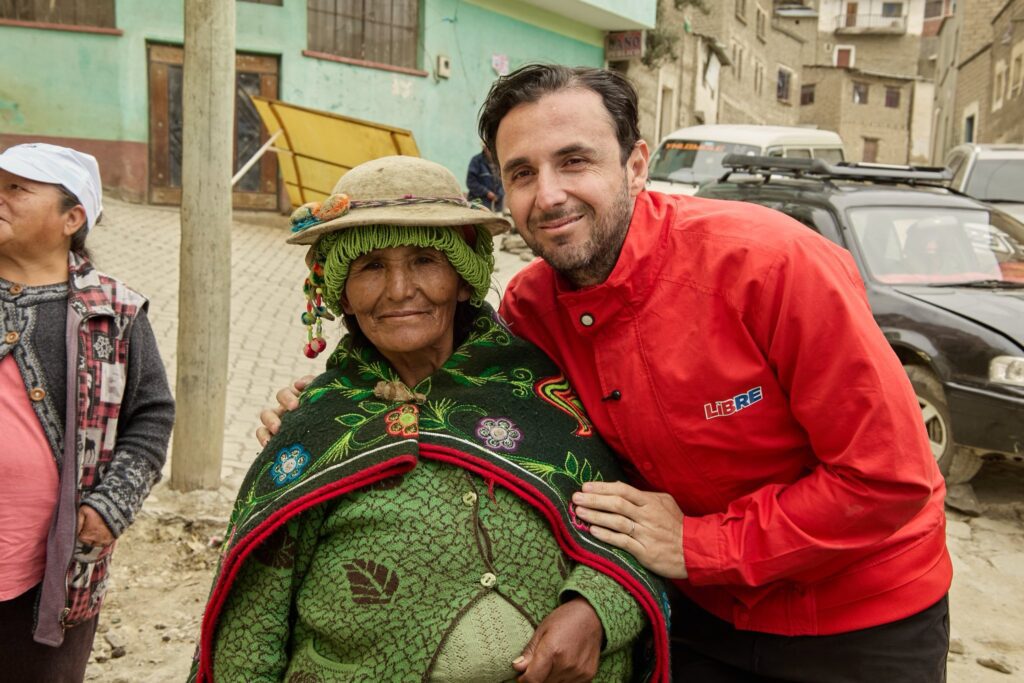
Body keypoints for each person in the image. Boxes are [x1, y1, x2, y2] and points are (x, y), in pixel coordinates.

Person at [265, 64, 953, 681]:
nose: (550, 195)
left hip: (858, 620)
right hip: (699, 616)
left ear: (636, 164)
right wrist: (330, 408)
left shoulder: (771, 267)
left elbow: (888, 478)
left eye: (575, 161)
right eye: (523, 173)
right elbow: (469, 395)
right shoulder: (533, 310)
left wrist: (699, 545)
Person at [192, 156, 671, 683]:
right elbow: (248, 632)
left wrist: (597, 610)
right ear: (341, 293)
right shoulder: (315, 430)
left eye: (424, 260)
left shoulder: (542, 393)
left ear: (464, 279)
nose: (399, 289)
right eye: (371, 266)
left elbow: (634, 535)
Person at [0, 143, 174, 682]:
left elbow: (152, 415)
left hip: (53, 572)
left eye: (16, 188)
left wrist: (111, 505)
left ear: (71, 218)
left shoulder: (114, 313)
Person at [466, 144, 504, 211]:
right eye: (490, 148)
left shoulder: (500, 161)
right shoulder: (476, 161)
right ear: (484, 148)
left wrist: (499, 195)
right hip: (479, 205)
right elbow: (471, 182)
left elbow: (504, 181)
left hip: (497, 206)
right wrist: (486, 192)